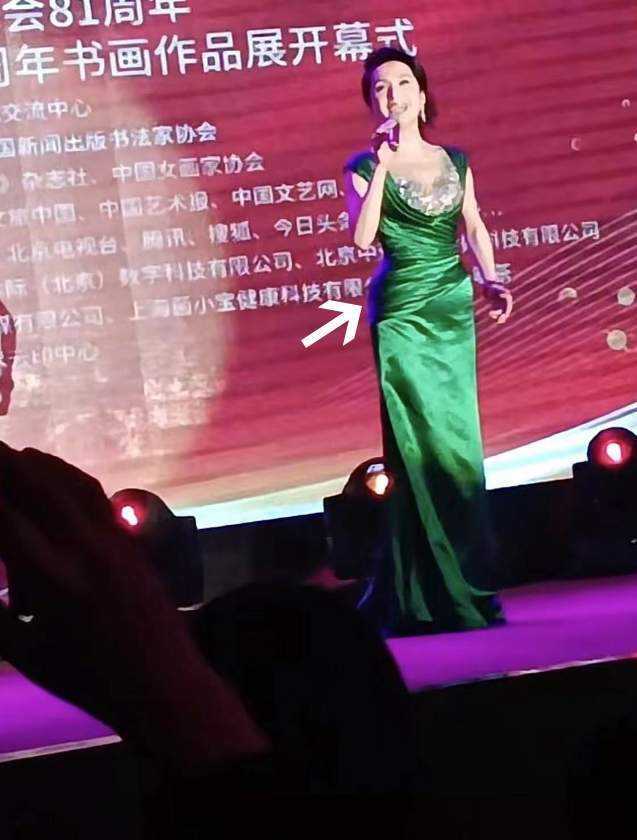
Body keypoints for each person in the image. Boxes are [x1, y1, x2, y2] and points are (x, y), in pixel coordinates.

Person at [343, 48, 514, 636]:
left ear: (421, 94)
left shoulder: (454, 160)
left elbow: (474, 225)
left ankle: (464, 580)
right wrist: (382, 168)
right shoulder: (361, 167)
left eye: (401, 83)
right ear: (373, 102)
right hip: (400, 312)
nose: (392, 94)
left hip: (451, 306)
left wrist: (491, 279)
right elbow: (364, 238)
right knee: (414, 447)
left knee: (457, 444)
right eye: (379, 87)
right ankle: (419, 593)